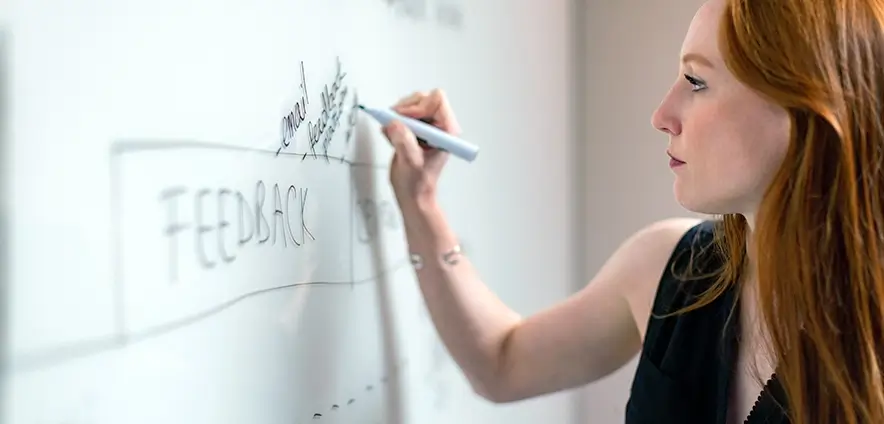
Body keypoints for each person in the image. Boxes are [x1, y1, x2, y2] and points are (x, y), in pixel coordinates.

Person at [378, 0, 884, 422]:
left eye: (697, 80)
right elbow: (501, 363)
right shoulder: (671, 267)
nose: (662, 115)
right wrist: (421, 203)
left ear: (805, 106)